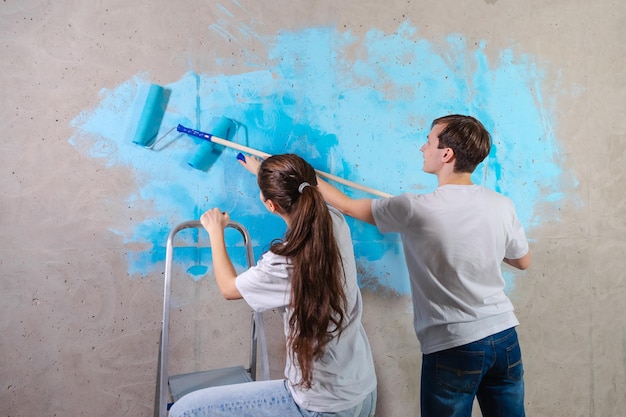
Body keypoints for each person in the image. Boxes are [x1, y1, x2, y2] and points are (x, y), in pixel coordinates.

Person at [317, 114, 531, 417]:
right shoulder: (500, 204)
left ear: (447, 154)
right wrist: (487, 243)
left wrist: (308, 177)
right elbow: (522, 260)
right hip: (504, 336)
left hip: (454, 345)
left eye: (429, 141)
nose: (422, 148)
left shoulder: (413, 208)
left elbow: (348, 206)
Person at [169, 153, 377, 417]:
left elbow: (229, 288)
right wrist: (267, 174)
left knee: (184, 411)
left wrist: (215, 232)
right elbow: (310, 188)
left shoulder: (283, 263)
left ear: (270, 205)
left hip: (322, 406)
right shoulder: (335, 222)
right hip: (363, 392)